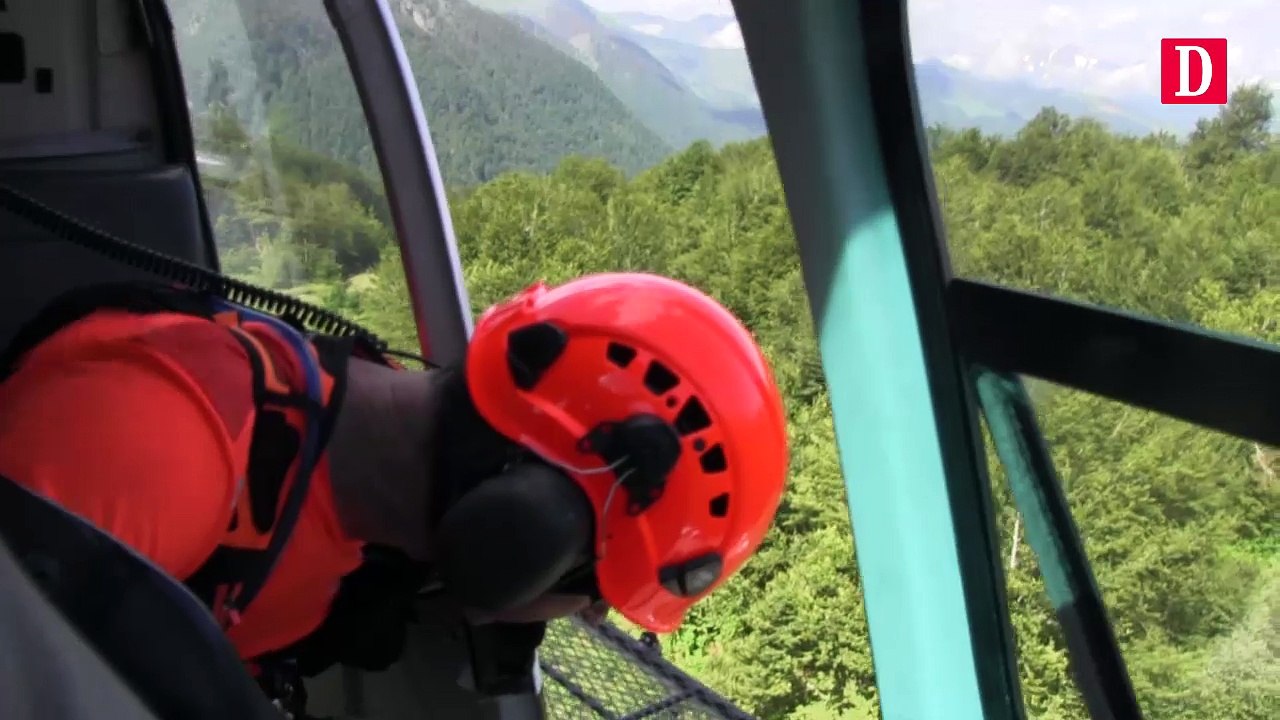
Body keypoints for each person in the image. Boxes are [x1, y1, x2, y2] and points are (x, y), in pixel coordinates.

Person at [0, 272, 788, 681]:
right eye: (591, 598)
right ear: (529, 528)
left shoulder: (350, 545)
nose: (583, 618)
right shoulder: (168, 442)